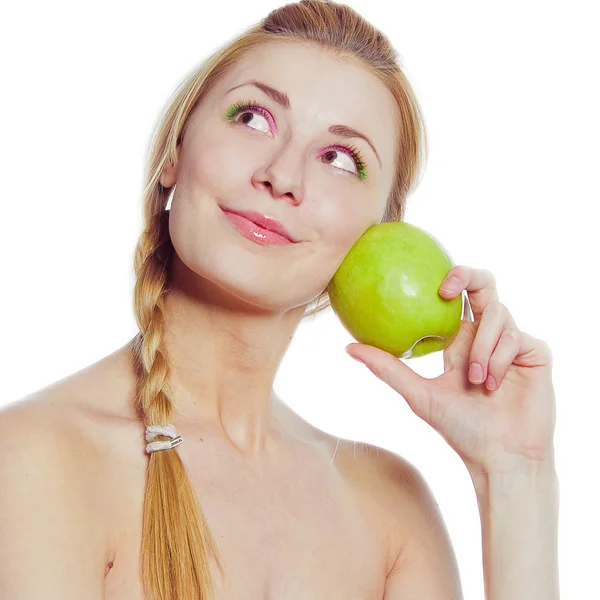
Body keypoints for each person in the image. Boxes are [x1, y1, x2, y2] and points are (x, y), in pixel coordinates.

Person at [0, 1, 559, 599]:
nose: (282, 175)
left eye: (339, 159)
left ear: (379, 235)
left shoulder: (391, 509)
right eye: (253, 118)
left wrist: (515, 474)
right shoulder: (35, 460)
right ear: (175, 153)